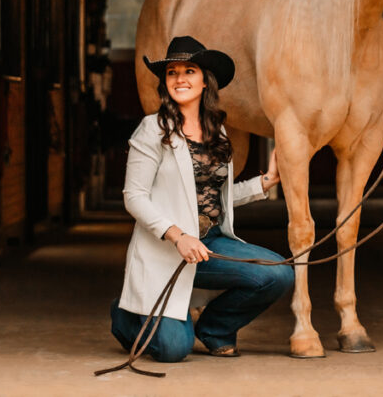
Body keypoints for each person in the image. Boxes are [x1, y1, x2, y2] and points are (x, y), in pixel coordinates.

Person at [110, 35, 293, 361]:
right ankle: (126, 317)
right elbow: (134, 197)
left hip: (209, 245)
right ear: (165, 82)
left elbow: (213, 198)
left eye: (189, 70)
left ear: (205, 81)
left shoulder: (217, 132)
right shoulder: (152, 129)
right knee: (172, 350)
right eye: (172, 72)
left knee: (278, 274)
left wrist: (265, 182)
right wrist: (178, 236)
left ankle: (215, 328)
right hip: (166, 249)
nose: (180, 78)